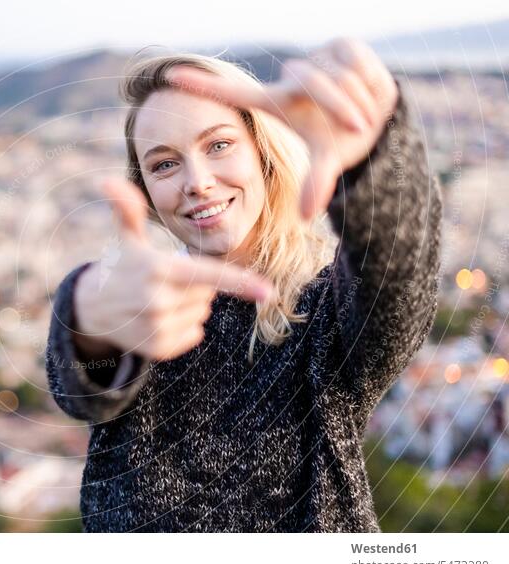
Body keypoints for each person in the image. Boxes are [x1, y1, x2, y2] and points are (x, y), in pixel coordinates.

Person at [45, 37, 441, 532]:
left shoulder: (323, 312)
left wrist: (372, 155)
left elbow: (397, 283)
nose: (198, 181)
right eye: (164, 164)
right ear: (144, 191)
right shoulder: (146, 305)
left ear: (263, 152)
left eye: (219, 145)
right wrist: (90, 323)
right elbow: (82, 392)